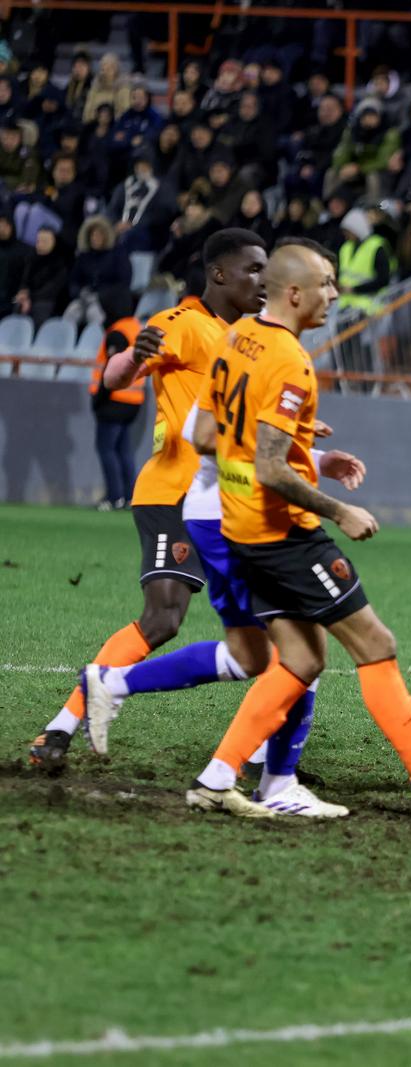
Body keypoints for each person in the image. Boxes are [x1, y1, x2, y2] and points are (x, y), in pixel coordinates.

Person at [171, 242, 411, 817]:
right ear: (295, 293)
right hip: (287, 536)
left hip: (240, 528)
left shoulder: (236, 337)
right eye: (326, 284)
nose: (335, 294)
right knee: (376, 645)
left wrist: (296, 443)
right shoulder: (289, 361)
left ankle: (217, 778)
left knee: (302, 661)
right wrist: (340, 510)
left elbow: (204, 434)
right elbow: (271, 468)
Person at [28, 230, 272, 773]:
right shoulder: (182, 324)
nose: (264, 280)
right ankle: (61, 726)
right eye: (254, 269)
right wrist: (131, 360)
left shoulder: (253, 340)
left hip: (229, 504)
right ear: (219, 275)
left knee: (272, 626)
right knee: (163, 618)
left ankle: (257, 756)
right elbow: (118, 374)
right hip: (175, 496)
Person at [88, 315, 146, 511]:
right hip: (134, 400)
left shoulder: (117, 331)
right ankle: (130, 496)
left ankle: (114, 496)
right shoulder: (135, 328)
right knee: (124, 450)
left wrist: (98, 400)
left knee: (106, 449)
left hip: (114, 401)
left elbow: (113, 368)